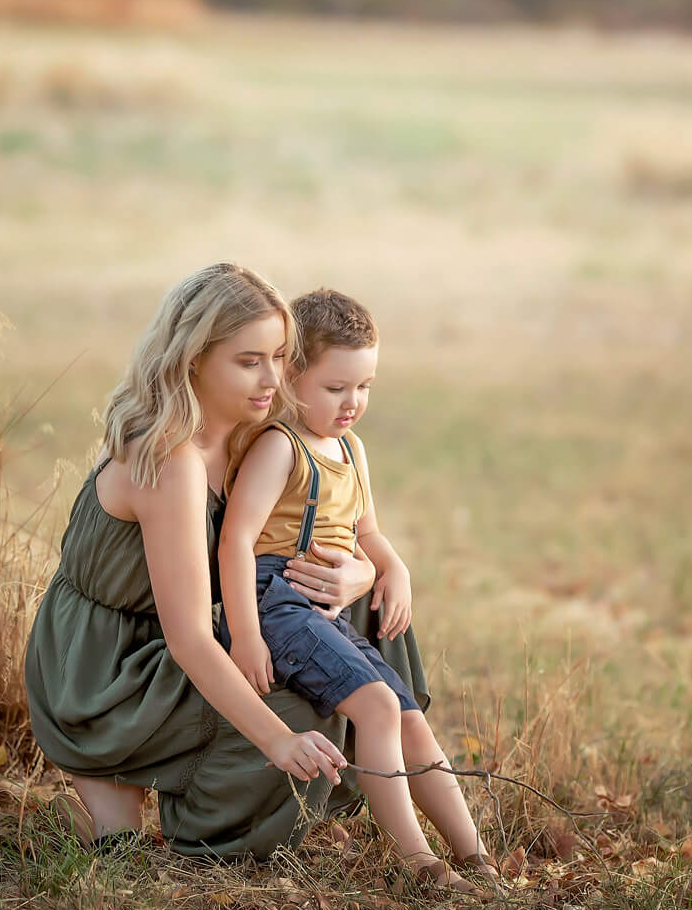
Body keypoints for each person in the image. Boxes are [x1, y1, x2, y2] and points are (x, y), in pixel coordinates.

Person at [23, 263, 424, 858]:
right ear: (192, 360)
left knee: (373, 621)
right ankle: (190, 815)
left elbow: (316, 537)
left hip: (181, 637)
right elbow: (188, 638)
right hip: (109, 665)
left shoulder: (250, 433)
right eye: (249, 361)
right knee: (299, 708)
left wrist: (367, 572)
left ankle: (354, 800)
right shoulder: (171, 460)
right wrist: (278, 740)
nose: (273, 378)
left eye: (280, 357)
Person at [219, 288, 500, 892]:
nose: (352, 402)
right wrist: (245, 635)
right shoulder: (280, 446)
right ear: (292, 377)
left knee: (409, 718)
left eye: (364, 386)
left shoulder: (350, 448)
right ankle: (419, 864)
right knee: (377, 707)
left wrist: (394, 568)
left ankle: (475, 857)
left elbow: (366, 531)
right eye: (335, 387)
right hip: (276, 601)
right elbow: (236, 540)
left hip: (322, 611)